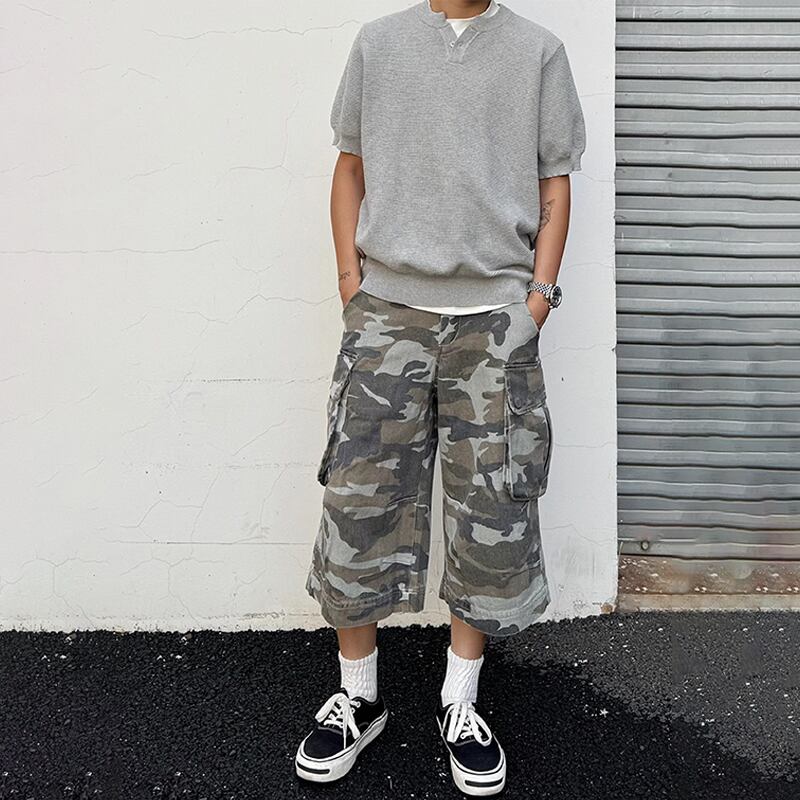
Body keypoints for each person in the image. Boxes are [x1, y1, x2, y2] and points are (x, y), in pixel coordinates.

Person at [294, 0, 585, 794]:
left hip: (493, 323)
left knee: (490, 512)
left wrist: (536, 303)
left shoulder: (538, 52)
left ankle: (460, 700)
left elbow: (554, 180)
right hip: (387, 316)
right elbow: (349, 166)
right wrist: (353, 288)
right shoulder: (379, 44)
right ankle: (358, 698)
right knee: (358, 503)